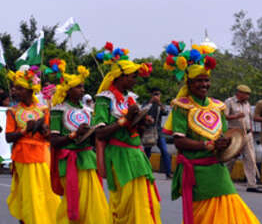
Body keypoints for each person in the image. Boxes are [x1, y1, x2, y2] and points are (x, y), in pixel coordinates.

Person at [163, 41, 259, 224]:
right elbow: (179, 141)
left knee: (232, 210)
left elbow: (224, 135)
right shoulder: (181, 106)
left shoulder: (218, 106)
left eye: (206, 80)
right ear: (189, 83)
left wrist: (230, 145)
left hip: (217, 168)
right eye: (199, 80)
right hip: (196, 171)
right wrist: (208, 145)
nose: (204, 84)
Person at [93, 44, 161, 224]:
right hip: (118, 155)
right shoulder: (104, 99)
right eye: (133, 77)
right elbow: (100, 133)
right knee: (126, 204)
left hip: (137, 154)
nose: (135, 81)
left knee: (146, 202)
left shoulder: (131, 98)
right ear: (120, 77)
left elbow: (135, 129)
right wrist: (125, 119)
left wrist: (142, 122)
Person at [47, 61, 109, 224]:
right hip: (69, 162)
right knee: (75, 203)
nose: (82, 90)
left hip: (88, 160)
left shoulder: (88, 111)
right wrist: (74, 135)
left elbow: (94, 138)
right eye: (78, 87)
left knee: (93, 204)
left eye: (83, 87)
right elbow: (54, 141)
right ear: (67, 90)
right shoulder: (58, 110)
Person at [5, 66, 60, 224]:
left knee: (45, 192)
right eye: (15, 88)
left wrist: (44, 130)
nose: (15, 91)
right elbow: (8, 137)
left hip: (42, 156)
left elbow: (50, 136)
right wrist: (25, 131)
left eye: (20, 89)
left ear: (30, 91)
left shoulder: (43, 110)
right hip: (23, 157)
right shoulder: (13, 111)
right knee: (28, 194)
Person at [224, 85, 261, 193]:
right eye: (246, 94)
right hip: (235, 134)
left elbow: (249, 118)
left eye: (248, 95)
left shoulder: (247, 104)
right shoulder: (229, 102)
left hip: (247, 134)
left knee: (251, 158)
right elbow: (224, 116)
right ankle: (224, 180)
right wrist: (236, 116)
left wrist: (251, 131)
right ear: (239, 93)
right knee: (231, 158)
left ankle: (252, 185)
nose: (248, 97)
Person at [142, 88, 172, 179]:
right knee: (147, 152)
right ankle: (144, 171)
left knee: (165, 151)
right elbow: (142, 112)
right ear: (151, 95)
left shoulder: (160, 105)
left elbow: (165, 113)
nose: (157, 96)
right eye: (155, 94)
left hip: (158, 131)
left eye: (158, 94)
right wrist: (150, 102)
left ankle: (168, 173)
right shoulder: (147, 103)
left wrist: (159, 103)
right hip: (148, 131)